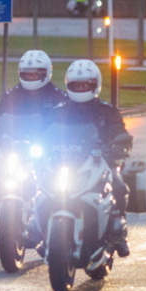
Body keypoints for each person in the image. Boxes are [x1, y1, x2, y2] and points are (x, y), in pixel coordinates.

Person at [43, 59, 134, 257]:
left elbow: (120, 133)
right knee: (40, 188)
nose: (80, 89)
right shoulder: (58, 111)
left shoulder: (107, 111)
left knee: (118, 185)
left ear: (95, 85)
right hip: (65, 162)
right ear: (68, 85)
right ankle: (40, 230)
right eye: (76, 85)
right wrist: (33, 145)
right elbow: (43, 132)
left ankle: (118, 233)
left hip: (99, 162)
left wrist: (119, 146)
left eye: (85, 85)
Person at [0, 50, 67, 226]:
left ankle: (56, 210)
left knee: (58, 179)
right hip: (16, 144)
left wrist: (61, 137)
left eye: (35, 74)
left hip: (44, 146)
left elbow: (67, 122)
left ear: (46, 73)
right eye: (27, 74)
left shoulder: (58, 96)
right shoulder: (13, 94)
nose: (31, 77)